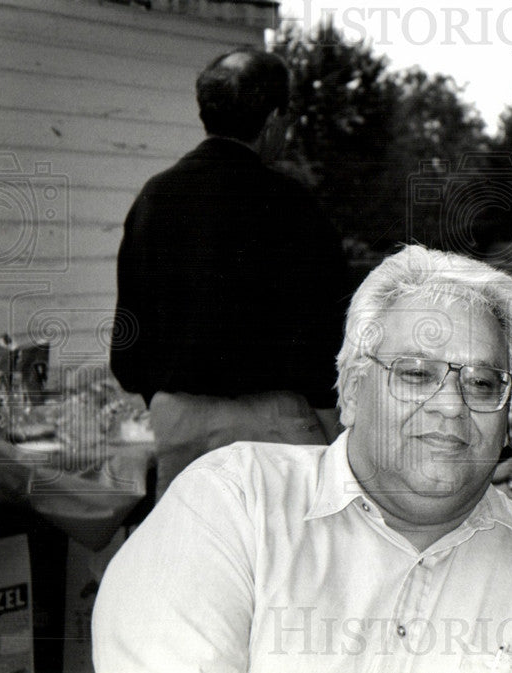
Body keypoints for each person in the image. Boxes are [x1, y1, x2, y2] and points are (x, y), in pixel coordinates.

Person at [93, 245, 512, 673]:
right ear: (353, 392)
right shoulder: (230, 509)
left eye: (481, 383)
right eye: (415, 373)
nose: (453, 405)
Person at [110, 47, 348, 498]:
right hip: (271, 428)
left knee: (192, 561)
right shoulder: (291, 204)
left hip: (177, 426)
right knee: (282, 562)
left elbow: (128, 346)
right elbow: (325, 340)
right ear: (274, 118)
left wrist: (168, 406)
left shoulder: (154, 198)